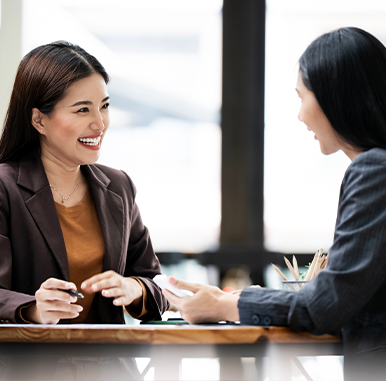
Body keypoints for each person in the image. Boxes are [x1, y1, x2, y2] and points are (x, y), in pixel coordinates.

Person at [163, 27, 386, 380]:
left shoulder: (375, 169)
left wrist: (223, 303)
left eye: (302, 97)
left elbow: (326, 305)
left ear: (335, 95)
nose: (300, 116)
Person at [0, 41, 169, 326]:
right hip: (28, 368)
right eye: (82, 110)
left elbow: (158, 286)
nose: (100, 124)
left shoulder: (118, 186)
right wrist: (33, 308)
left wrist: (134, 289)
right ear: (39, 120)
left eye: (104, 106)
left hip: (108, 368)